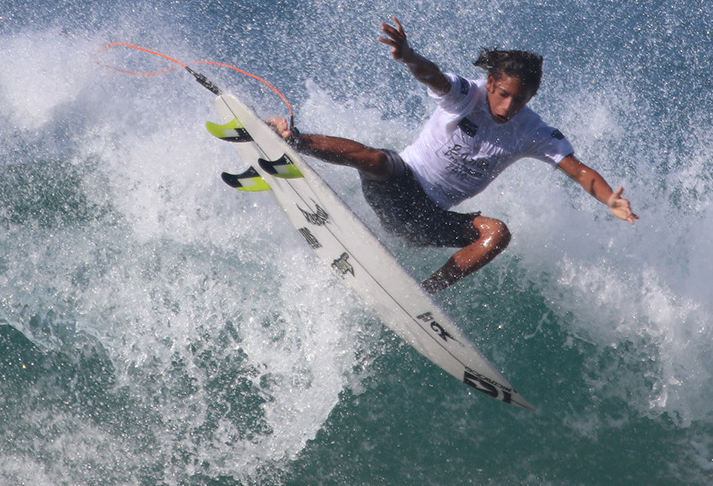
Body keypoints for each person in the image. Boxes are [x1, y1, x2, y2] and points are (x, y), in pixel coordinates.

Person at [267, 17, 637, 292]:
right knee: (377, 160)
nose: (508, 106)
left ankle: (424, 294)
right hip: (399, 181)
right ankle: (292, 139)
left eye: (519, 99)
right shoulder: (468, 94)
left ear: (531, 98)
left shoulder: (532, 132)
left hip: (428, 219)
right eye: (503, 93)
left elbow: (578, 169)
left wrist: (609, 199)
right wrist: (408, 55)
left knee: (497, 233)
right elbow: (434, 77)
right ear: (491, 83)